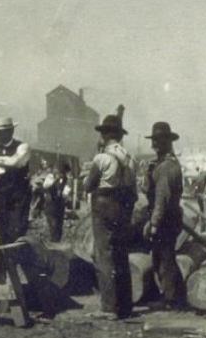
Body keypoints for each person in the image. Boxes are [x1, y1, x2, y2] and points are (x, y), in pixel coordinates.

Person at [83, 114, 137, 320]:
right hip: (123, 208)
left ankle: (108, 307)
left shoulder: (102, 158)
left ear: (104, 136)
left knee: (104, 255)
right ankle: (125, 305)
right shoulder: (130, 157)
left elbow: (88, 186)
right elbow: (132, 189)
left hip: (104, 206)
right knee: (122, 254)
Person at [143, 122, 186, 310]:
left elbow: (161, 198)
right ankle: (175, 295)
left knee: (164, 258)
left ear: (167, 143)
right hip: (170, 217)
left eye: (160, 141)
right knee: (164, 256)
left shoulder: (166, 168)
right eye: (155, 141)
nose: (156, 144)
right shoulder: (164, 164)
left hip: (166, 218)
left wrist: (153, 223)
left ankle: (171, 299)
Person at [0, 117, 32, 244]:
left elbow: (16, 162)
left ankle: (18, 260)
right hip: (1, 195)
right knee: (2, 230)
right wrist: (4, 164)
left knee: (17, 230)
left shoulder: (23, 147)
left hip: (19, 195)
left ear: (10, 131)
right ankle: (4, 261)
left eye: (1, 132)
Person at [42, 162, 71, 242]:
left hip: (59, 205)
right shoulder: (50, 177)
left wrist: (64, 193)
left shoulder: (66, 180)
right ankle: (54, 240)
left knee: (59, 224)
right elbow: (46, 185)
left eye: (62, 173)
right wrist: (55, 179)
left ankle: (57, 240)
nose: (61, 174)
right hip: (50, 204)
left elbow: (66, 191)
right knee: (53, 224)